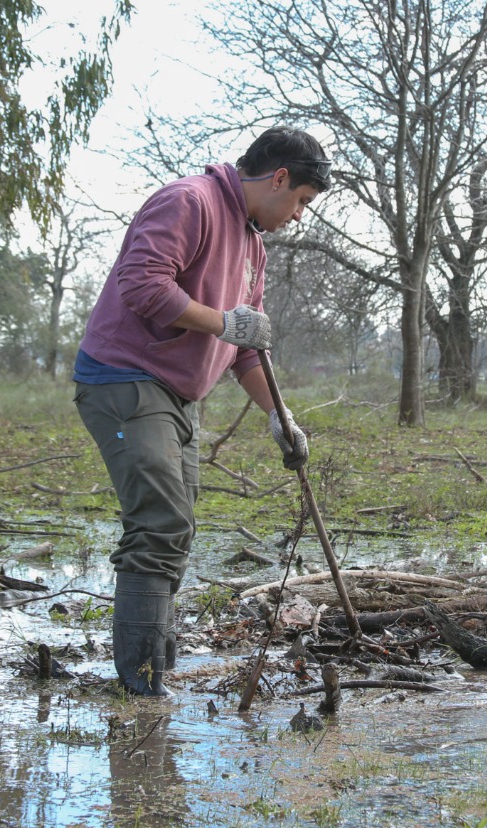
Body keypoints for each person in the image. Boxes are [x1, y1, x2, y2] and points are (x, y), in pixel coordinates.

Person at [72, 126, 332, 696]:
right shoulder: (189, 201)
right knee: (160, 524)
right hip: (123, 378)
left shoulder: (253, 247)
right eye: (302, 201)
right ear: (279, 178)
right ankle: (142, 690)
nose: (298, 215)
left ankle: (155, 675)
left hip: (177, 396)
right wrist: (221, 321)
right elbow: (142, 285)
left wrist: (279, 417)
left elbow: (246, 346)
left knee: (176, 528)